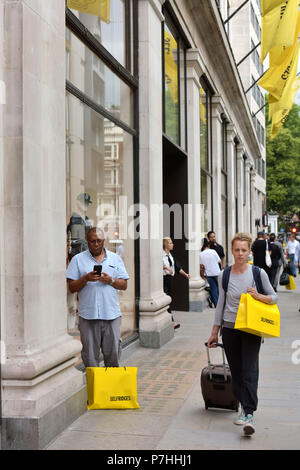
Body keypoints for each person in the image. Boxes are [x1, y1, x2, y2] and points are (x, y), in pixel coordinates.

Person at [207, 233, 278, 436]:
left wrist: (259, 296)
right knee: (236, 371)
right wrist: (214, 332)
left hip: (250, 328)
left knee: (249, 370)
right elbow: (220, 304)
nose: (240, 254)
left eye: (244, 250)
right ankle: (242, 406)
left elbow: (274, 297)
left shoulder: (258, 273)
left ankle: (249, 412)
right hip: (229, 328)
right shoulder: (225, 275)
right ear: (232, 251)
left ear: (250, 252)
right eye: (237, 250)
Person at [66, 227, 129, 368]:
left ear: (104, 241)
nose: (96, 244)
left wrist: (111, 280)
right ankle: (94, 389)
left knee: (113, 358)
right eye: (92, 241)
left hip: (111, 315)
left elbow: (124, 285)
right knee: (90, 360)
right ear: (87, 242)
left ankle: (110, 389)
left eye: (99, 241)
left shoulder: (115, 259)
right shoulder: (77, 260)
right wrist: (86, 278)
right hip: (88, 317)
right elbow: (71, 287)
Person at [163, 237, 191, 330]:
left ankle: (169, 320)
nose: (172, 244)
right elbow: (156, 265)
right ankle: (172, 321)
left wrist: (186, 274)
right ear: (165, 245)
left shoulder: (170, 255)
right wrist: (166, 268)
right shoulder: (161, 255)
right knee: (167, 300)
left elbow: (177, 267)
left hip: (170, 280)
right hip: (163, 280)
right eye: (170, 243)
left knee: (168, 300)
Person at [67, 193, 93, 261]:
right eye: (84, 203)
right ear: (77, 202)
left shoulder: (87, 219)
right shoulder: (74, 218)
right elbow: (77, 242)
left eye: (87, 203)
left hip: (86, 255)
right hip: (78, 256)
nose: (86, 206)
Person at [200, 238, 221, 307]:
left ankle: (216, 304)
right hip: (217, 272)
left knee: (213, 289)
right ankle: (220, 304)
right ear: (208, 245)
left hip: (209, 274)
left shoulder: (201, 254)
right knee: (220, 289)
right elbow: (219, 261)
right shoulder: (213, 251)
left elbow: (202, 266)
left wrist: (202, 275)